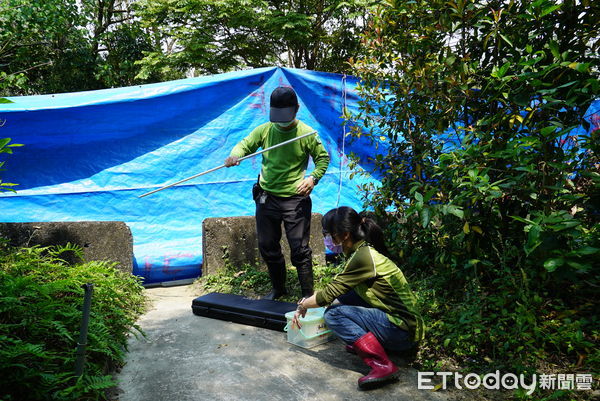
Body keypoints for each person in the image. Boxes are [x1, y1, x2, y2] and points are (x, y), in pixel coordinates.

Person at [292, 206, 425, 390]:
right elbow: (338, 290)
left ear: (344, 234)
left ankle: (382, 365)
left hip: (402, 332)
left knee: (334, 315)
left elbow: (329, 294)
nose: (327, 239)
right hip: (403, 327)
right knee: (347, 297)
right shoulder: (361, 251)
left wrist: (303, 305)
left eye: (328, 233)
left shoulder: (362, 257)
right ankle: (367, 344)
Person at [224, 86, 330, 300]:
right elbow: (244, 145)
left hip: (295, 199)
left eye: (285, 116)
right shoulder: (264, 130)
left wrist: (313, 178)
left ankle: (308, 295)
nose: (281, 121)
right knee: (267, 246)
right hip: (267, 197)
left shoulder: (307, 134)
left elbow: (323, 159)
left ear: (297, 109)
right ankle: (279, 289)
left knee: (299, 249)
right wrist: (235, 155)